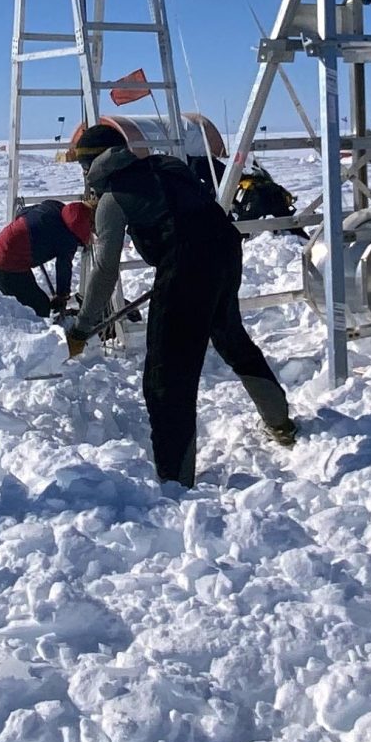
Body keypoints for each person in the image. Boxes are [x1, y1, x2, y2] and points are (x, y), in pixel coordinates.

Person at [65, 122, 296, 485]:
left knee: (167, 376)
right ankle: (281, 423)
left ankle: (175, 480)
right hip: (224, 250)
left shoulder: (113, 198)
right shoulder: (169, 166)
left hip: (186, 265)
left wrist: (82, 325)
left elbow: (105, 268)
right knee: (231, 339)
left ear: (90, 165)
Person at [0, 198, 94, 320]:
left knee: (33, 299)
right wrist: (62, 296)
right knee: (39, 307)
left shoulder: (54, 206)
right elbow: (64, 268)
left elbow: (22, 213)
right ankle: (35, 335)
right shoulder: (68, 240)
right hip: (5, 266)